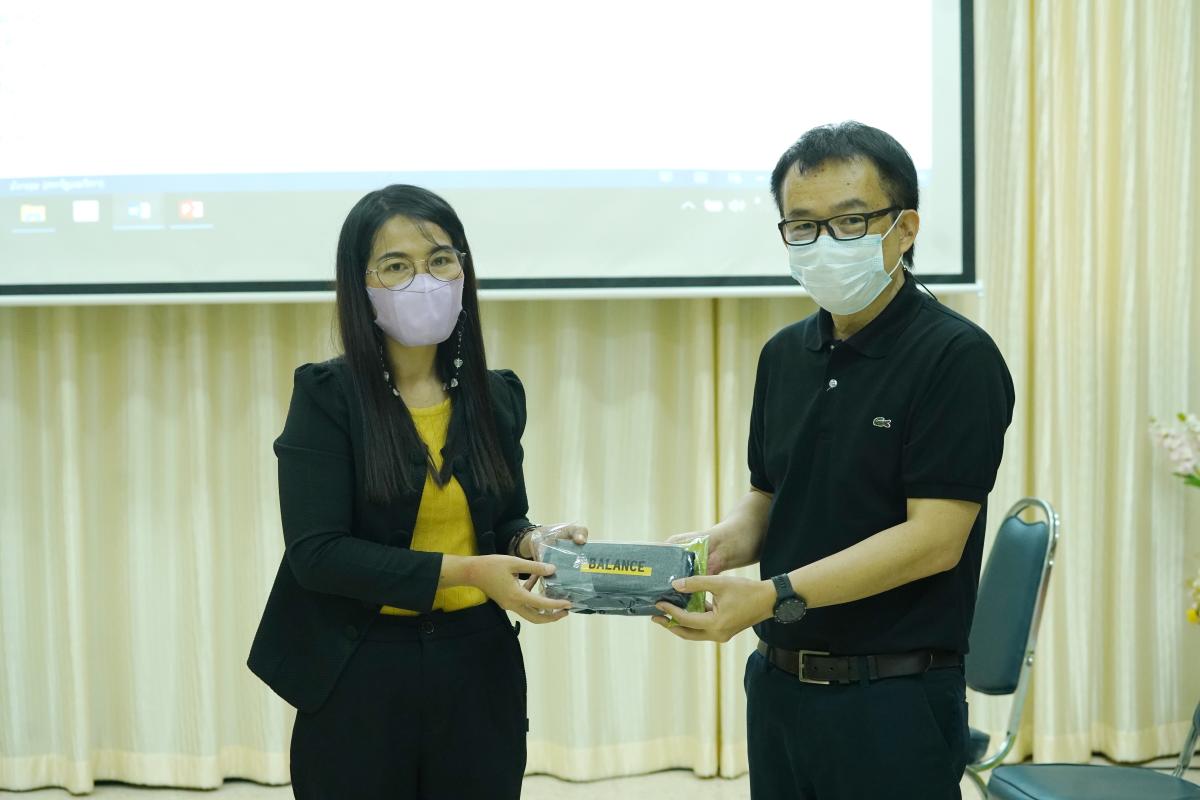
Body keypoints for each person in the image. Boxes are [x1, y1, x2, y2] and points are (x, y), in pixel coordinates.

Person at [653, 122, 1014, 799]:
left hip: (894, 696)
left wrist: (772, 594)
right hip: (778, 682)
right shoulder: (785, 354)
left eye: (850, 222)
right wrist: (714, 547)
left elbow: (935, 540)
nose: (824, 243)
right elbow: (769, 497)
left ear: (904, 228)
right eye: (802, 226)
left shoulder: (955, 357)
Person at [247, 184, 586, 800]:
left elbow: (504, 517)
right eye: (396, 266)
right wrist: (472, 571)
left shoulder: (496, 395)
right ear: (361, 284)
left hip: (477, 662)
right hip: (359, 664)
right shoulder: (328, 397)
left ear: (464, 271)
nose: (424, 280)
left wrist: (534, 542)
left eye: (440, 260)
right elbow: (317, 554)